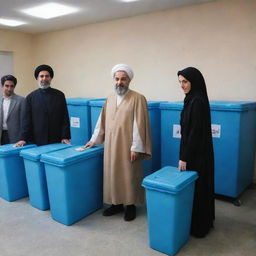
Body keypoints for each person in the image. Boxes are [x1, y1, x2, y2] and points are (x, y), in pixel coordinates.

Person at [82, 64, 151, 221]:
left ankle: (130, 205)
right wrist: (93, 140)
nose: (119, 82)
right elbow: (102, 122)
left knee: (129, 174)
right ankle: (116, 204)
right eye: (117, 79)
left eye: (123, 79)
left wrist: (136, 147)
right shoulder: (110, 98)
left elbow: (139, 125)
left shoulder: (138, 98)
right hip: (111, 145)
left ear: (129, 80)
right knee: (113, 174)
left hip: (128, 145)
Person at [177, 67, 215, 238]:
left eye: (185, 81)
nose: (182, 85)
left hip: (195, 154)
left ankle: (199, 227)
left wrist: (184, 157)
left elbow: (194, 133)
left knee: (197, 188)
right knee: (198, 188)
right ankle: (200, 222)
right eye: (180, 82)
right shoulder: (192, 99)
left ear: (194, 81)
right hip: (196, 151)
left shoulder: (197, 101)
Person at [15, 64, 70, 146]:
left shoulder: (59, 95)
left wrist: (65, 137)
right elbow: (26, 120)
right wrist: (23, 139)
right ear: (37, 78)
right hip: (37, 140)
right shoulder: (30, 97)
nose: (44, 78)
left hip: (56, 139)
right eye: (41, 76)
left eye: (47, 76)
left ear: (51, 78)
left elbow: (65, 118)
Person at [0, 75, 25, 145]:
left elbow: (24, 122)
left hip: (16, 137)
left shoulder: (21, 100)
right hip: (1, 135)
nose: (9, 88)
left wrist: (22, 138)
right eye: (7, 86)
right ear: (2, 86)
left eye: (12, 86)